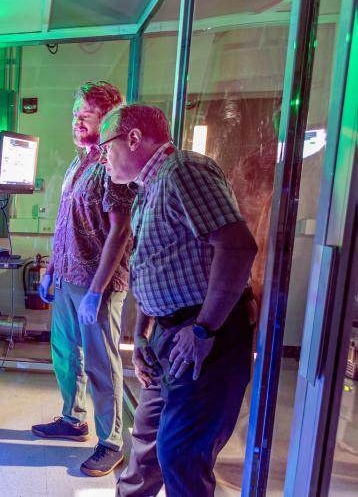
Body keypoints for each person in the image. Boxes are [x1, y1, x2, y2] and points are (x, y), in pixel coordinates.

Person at [99, 104, 259, 496]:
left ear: (133, 138)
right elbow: (151, 266)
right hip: (167, 335)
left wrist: (204, 329)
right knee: (148, 442)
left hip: (203, 335)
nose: (103, 157)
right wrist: (141, 335)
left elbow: (237, 248)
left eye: (106, 147)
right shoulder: (147, 189)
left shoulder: (184, 172)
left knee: (181, 452)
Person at [31, 81, 134, 477]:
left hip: (98, 285)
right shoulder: (79, 163)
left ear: (106, 118)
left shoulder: (114, 164)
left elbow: (119, 232)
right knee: (64, 354)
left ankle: (111, 443)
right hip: (68, 278)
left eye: (84, 115)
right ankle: (73, 419)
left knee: (101, 364)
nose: (75, 121)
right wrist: (51, 270)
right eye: (74, 114)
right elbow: (65, 224)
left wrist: (96, 292)